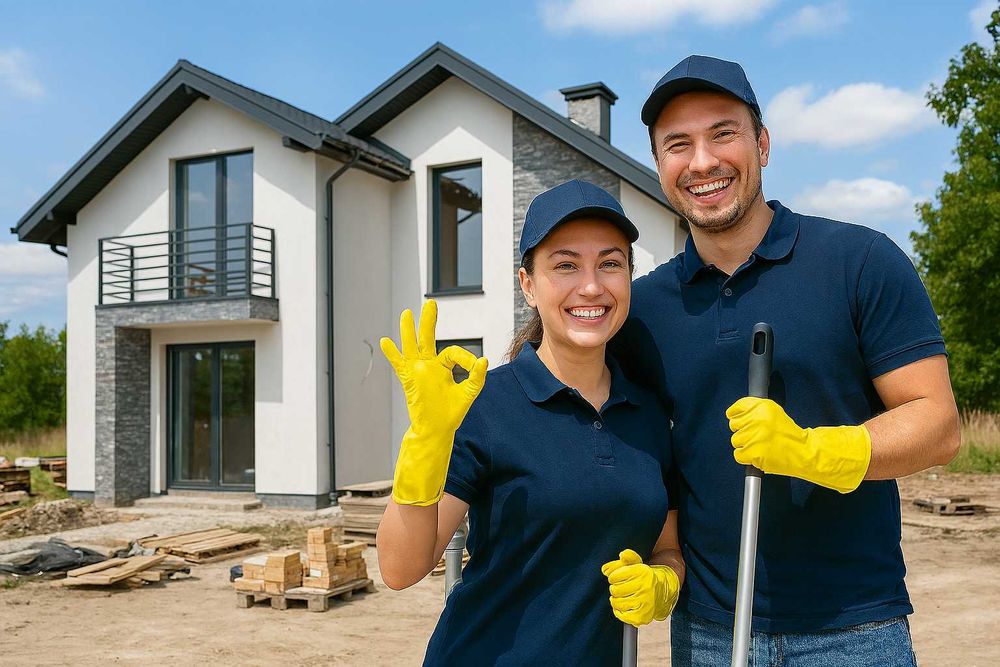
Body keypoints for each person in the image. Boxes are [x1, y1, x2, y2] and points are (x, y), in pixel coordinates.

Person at [611, 55, 961, 665]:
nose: (702, 162)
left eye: (723, 133)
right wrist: (662, 569)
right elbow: (635, 451)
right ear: (660, 166)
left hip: (854, 632)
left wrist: (813, 451)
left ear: (762, 143)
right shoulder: (643, 310)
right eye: (677, 145)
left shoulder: (859, 262)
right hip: (708, 633)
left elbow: (937, 423)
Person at [376, 179, 684, 665]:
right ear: (528, 285)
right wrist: (425, 441)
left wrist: (665, 581)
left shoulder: (647, 413)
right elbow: (400, 568)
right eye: (565, 265)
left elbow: (667, 546)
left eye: (610, 263)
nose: (591, 285)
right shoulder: (483, 404)